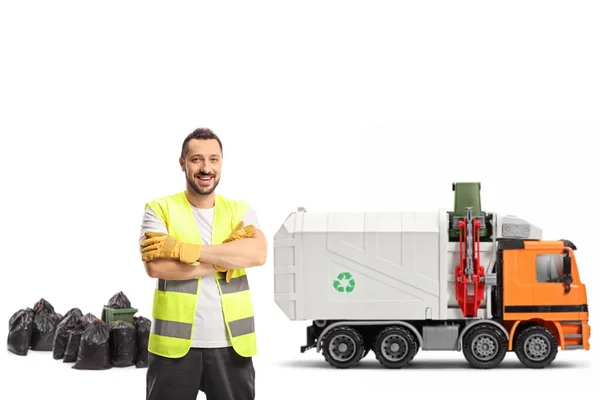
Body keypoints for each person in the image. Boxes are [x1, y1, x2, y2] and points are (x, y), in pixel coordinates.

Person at [138, 128, 267, 400]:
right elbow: (157, 268)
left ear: (221, 162)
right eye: (196, 159)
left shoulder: (240, 211)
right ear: (182, 163)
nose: (206, 168)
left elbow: (257, 254)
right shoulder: (159, 208)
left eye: (214, 159)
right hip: (173, 349)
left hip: (232, 346)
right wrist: (224, 259)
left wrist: (185, 250)